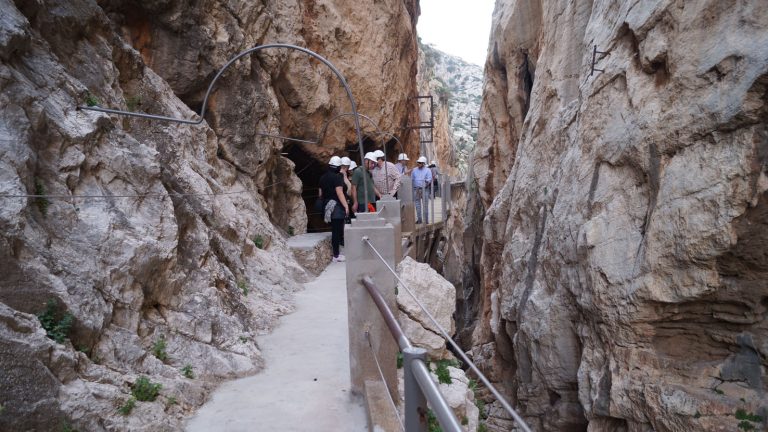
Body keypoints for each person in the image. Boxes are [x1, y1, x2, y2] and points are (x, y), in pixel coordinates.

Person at [318, 156, 349, 262]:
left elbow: (320, 194)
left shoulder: (322, 177)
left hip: (326, 206)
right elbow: (339, 192)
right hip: (336, 207)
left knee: (334, 230)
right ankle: (336, 255)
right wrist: (346, 206)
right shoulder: (337, 178)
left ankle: (336, 253)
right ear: (338, 166)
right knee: (337, 231)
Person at [412, 156, 432, 224]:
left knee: (425, 205)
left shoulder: (428, 170)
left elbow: (429, 179)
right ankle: (419, 219)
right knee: (417, 205)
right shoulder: (414, 170)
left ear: (424, 163)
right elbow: (412, 179)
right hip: (416, 189)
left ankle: (426, 220)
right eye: (418, 162)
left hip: (424, 189)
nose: (418, 164)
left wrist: (425, 181)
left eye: (420, 163)